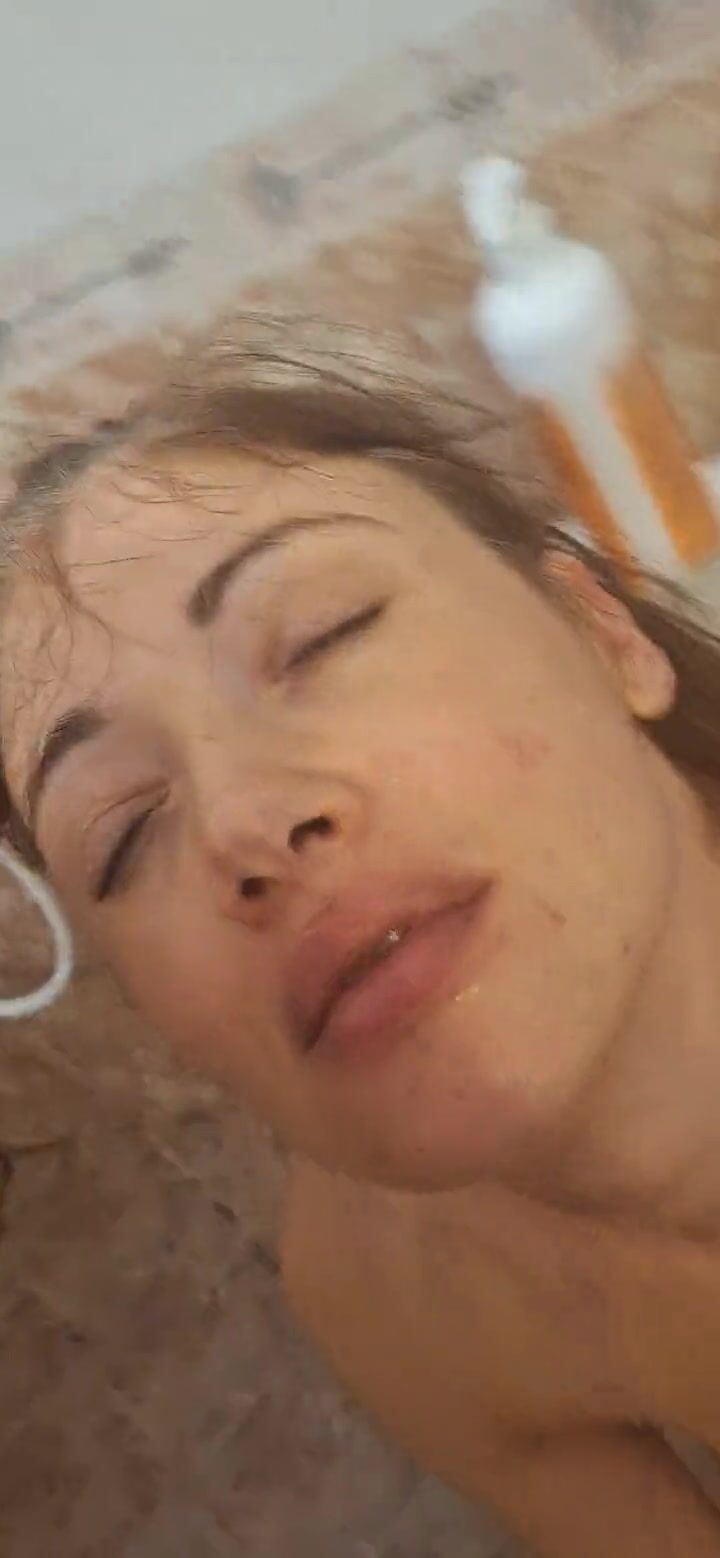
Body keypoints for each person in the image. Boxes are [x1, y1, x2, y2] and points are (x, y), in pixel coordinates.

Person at [4, 311, 720, 1555]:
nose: (244, 823)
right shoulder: (397, 1305)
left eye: (320, 634)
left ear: (604, 632)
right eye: (122, 832)